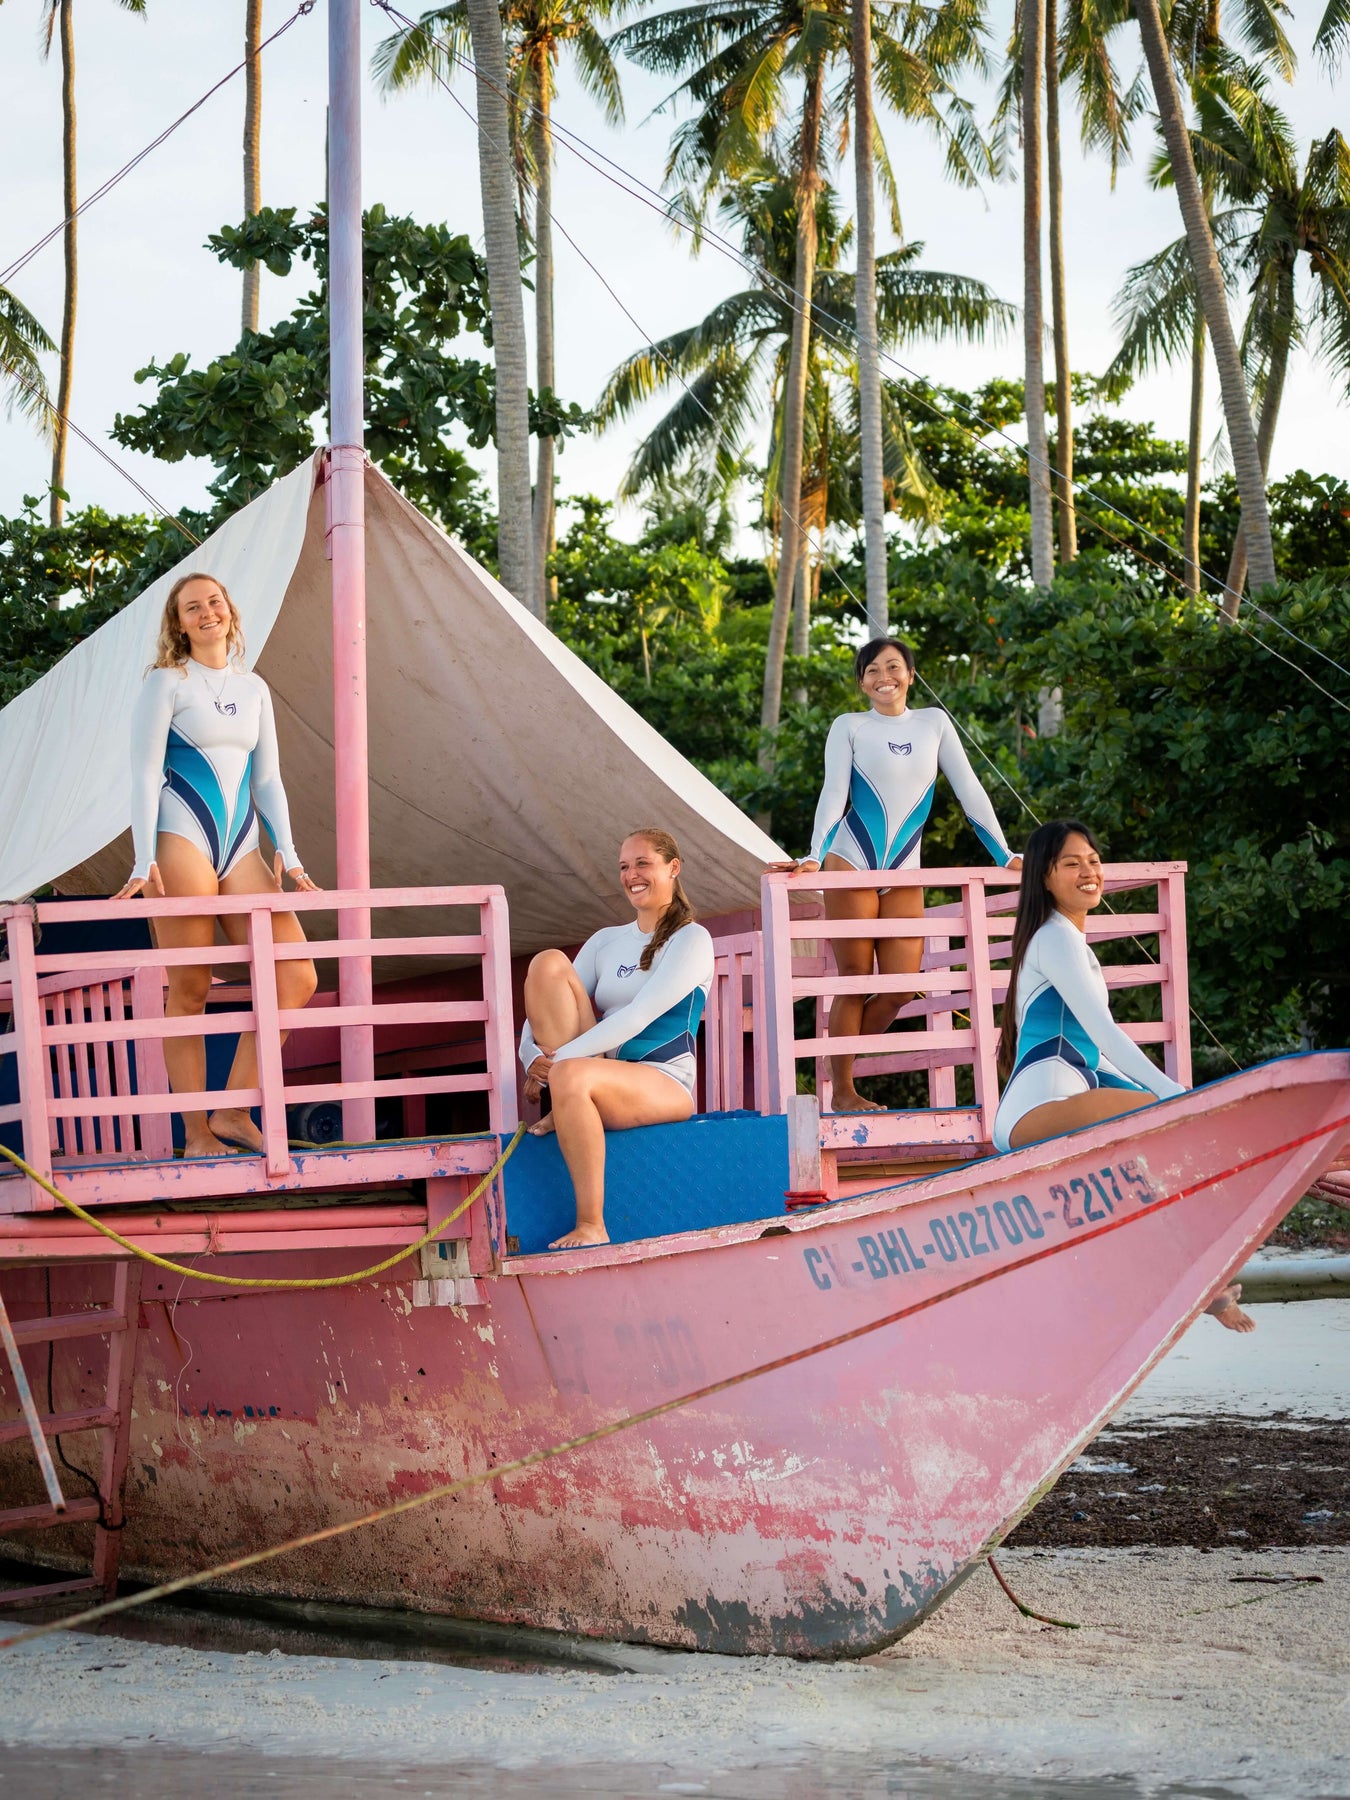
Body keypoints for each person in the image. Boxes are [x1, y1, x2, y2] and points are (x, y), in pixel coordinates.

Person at [992, 818, 1253, 1332]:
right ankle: (1201, 1280)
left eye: (1093, 860)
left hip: (1066, 1097)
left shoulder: (1068, 941)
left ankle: (1199, 1279)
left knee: (1167, 1135)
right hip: (1035, 1111)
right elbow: (1107, 1036)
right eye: (1071, 863)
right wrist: (1175, 1096)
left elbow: (1098, 1058)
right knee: (1171, 1124)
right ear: (1044, 876)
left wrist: (1172, 1100)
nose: (1088, 871)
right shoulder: (1054, 939)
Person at [114, 572, 318, 1159]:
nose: (207, 612)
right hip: (181, 839)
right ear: (178, 624)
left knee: (296, 977)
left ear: (229, 610)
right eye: (192, 607)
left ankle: (232, 1108)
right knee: (191, 987)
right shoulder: (166, 683)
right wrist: (143, 858)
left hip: (242, 844)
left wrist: (290, 853)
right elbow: (144, 774)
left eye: (214, 601)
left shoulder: (254, 689)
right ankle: (197, 1133)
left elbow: (269, 779)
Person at [777, 636, 1021, 1112]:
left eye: (893, 667)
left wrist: (1004, 854)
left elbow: (969, 789)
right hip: (851, 860)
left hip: (906, 868)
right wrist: (814, 854)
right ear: (861, 682)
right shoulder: (849, 726)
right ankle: (843, 1090)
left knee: (901, 987)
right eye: (871, 670)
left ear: (911, 675)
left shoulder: (934, 723)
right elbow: (833, 792)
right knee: (856, 977)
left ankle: (834, 1061)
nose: (883, 676)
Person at [520, 828, 714, 1250]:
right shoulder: (606, 941)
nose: (631, 875)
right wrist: (530, 1056)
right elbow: (541, 1007)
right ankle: (566, 1097)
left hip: (663, 1080)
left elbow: (638, 1016)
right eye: (624, 867)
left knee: (570, 1074)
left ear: (673, 868)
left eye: (643, 864)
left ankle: (592, 1224)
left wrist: (557, 1063)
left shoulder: (692, 939)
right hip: (599, 1067)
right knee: (548, 963)